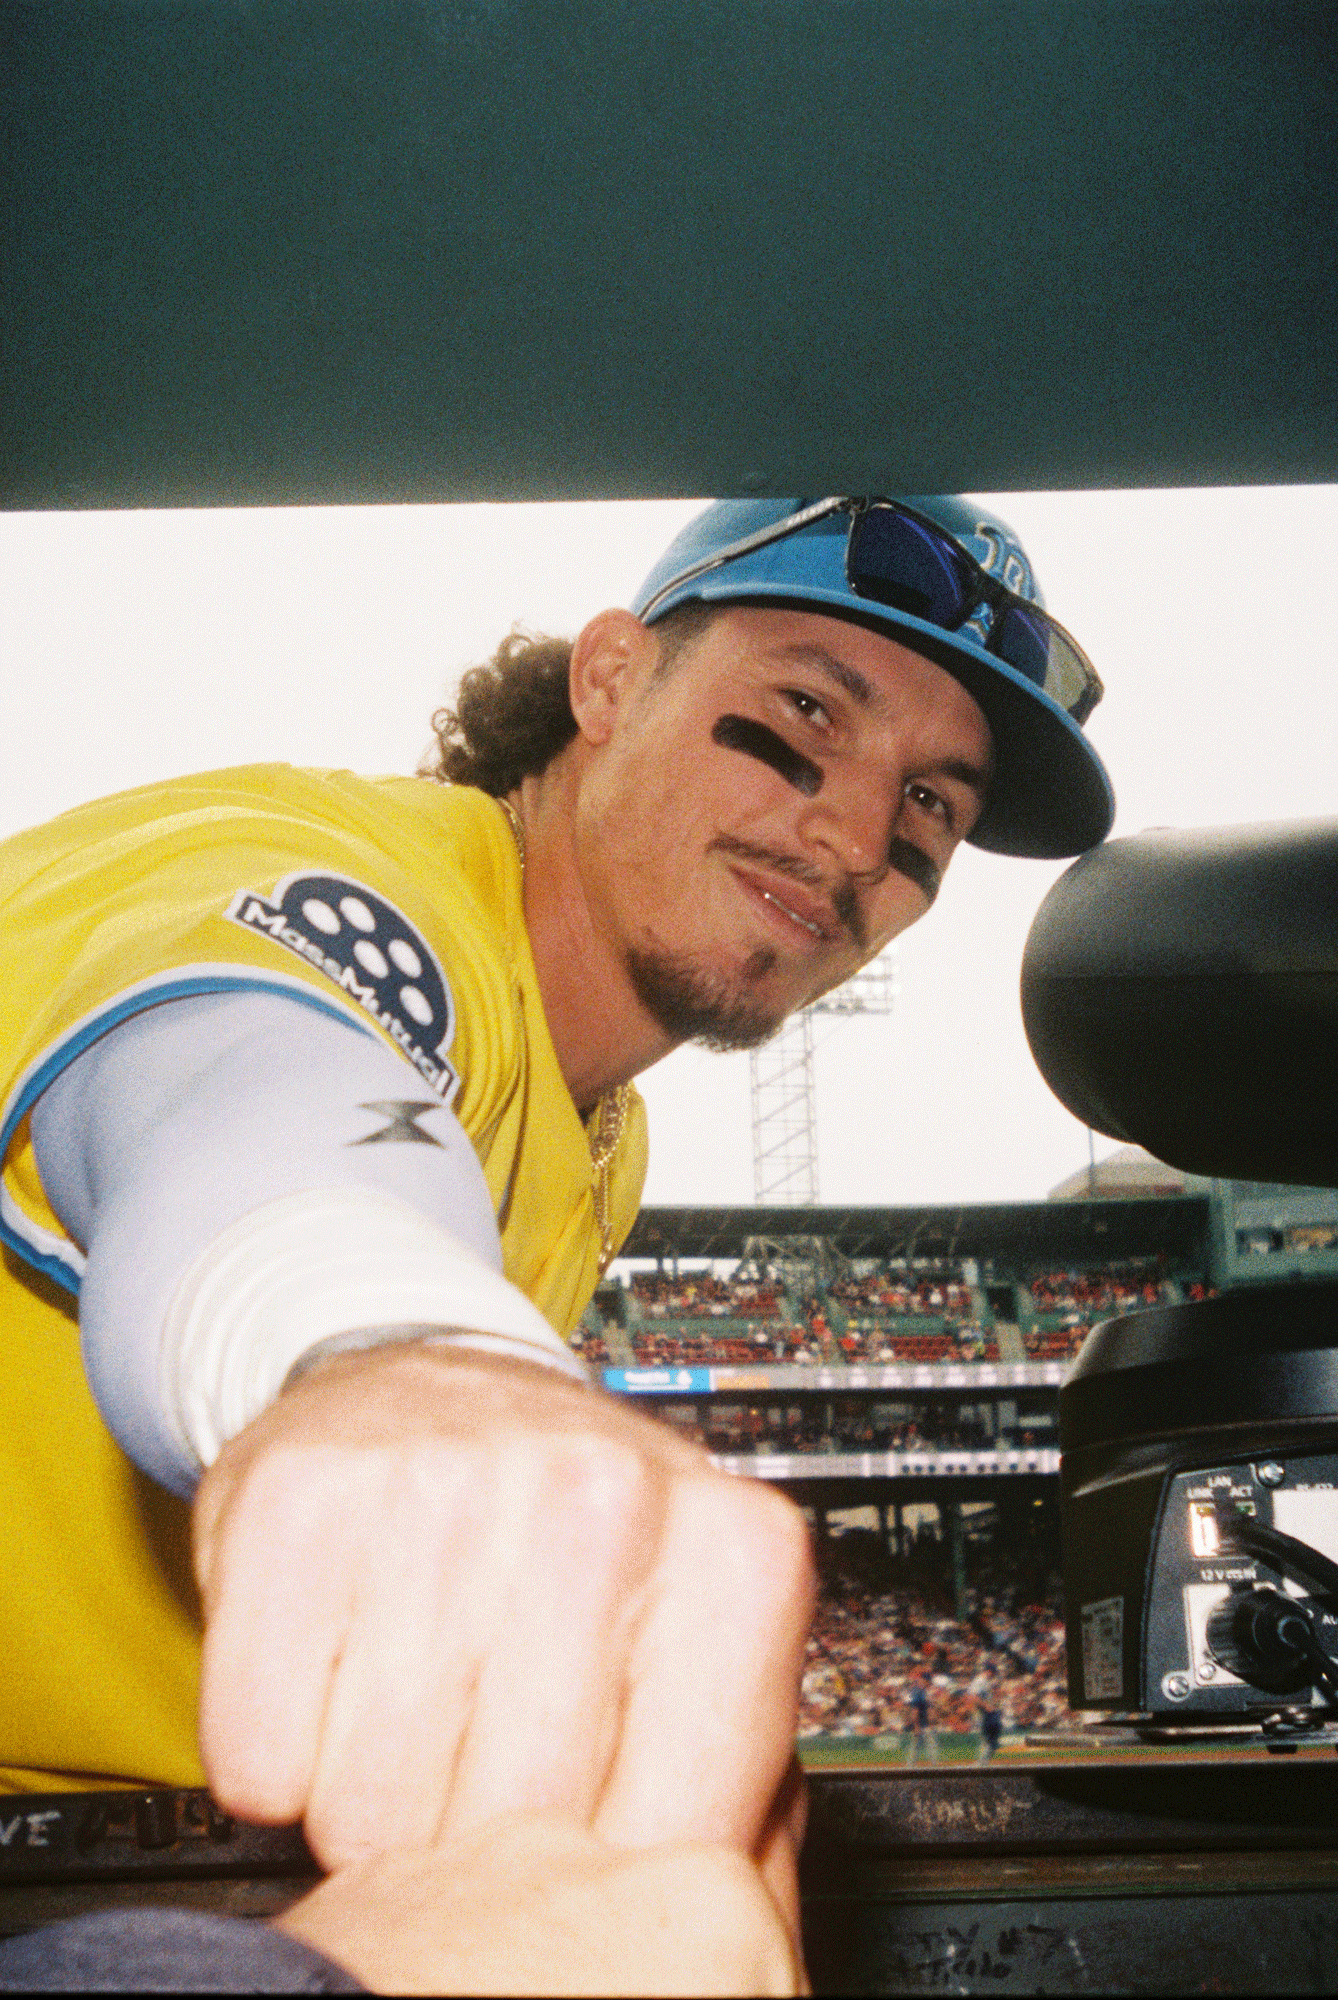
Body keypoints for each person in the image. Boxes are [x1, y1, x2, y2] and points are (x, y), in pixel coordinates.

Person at [0, 495, 1112, 1987]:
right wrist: (398, 1350)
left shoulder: (603, 1125)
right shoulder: (337, 867)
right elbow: (238, 1066)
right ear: (606, 681)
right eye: (800, 711)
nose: (853, 833)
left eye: (932, 807)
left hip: (170, 1845)